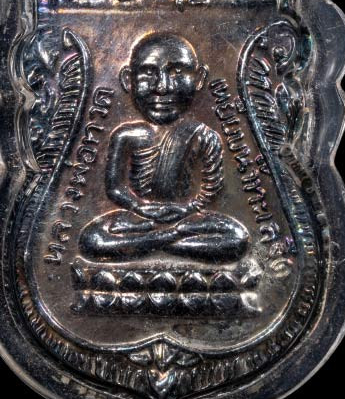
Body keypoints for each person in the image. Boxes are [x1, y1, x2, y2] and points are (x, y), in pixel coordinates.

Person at [79, 33, 249, 262]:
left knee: (237, 237)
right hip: (138, 219)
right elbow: (115, 188)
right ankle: (168, 240)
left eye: (177, 72)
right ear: (128, 80)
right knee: (92, 239)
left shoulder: (204, 135)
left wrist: (188, 209)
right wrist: (139, 207)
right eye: (148, 73)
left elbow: (212, 188)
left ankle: (149, 244)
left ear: (199, 78)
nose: (162, 87)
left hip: (188, 219)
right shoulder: (125, 135)